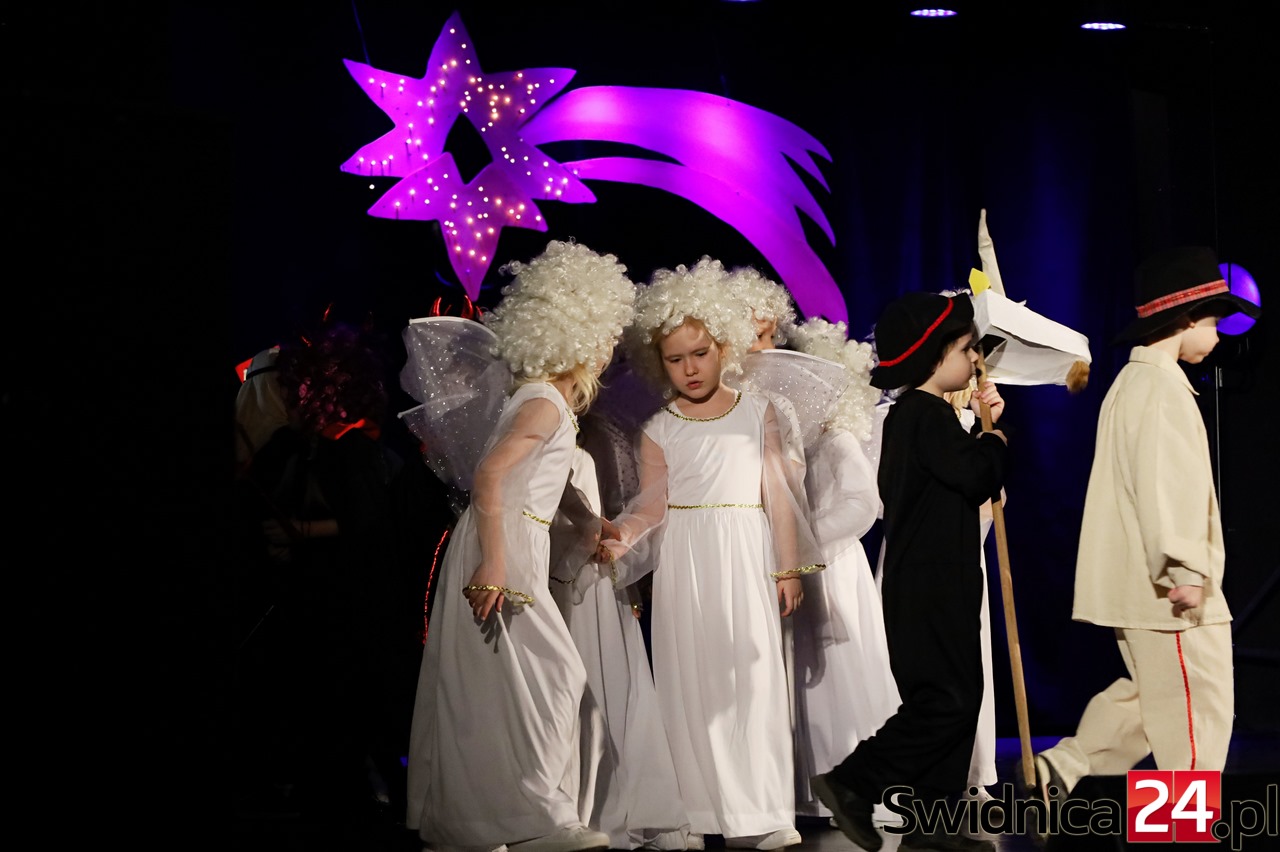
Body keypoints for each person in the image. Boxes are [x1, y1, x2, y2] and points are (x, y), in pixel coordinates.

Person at [404, 239, 635, 852]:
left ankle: (497, 820)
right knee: (555, 676)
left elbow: (543, 482)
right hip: (504, 545)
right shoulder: (545, 403)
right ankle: (537, 817)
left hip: (511, 540)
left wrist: (589, 521)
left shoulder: (541, 400)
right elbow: (490, 476)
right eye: (605, 335)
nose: (609, 349)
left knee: (505, 688)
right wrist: (496, 563)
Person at [598, 256, 826, 851]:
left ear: (723, 346)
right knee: (690, 680)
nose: (690, 368)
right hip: (687, 563)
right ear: (659, 362)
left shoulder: (757, 412)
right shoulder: (659, 428)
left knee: (752, 677)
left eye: (699, 353)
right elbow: (652, 507)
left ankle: (762, 811)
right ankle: (698, 812)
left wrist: (788, 567)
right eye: (675, 358)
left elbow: (778, 494)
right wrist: (620, 537)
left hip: (746, 553)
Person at [1030, 246, 1258, 832]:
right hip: (1170, 592)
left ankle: (1067, 767)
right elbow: (1166, 488)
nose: (1217, 335)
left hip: (1145, 587)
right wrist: (1185, 569)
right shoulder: (1158, 389)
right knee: (1196, 718)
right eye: (1213, 322)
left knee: (1152, 698)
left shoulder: (1138, 383)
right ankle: (1182, 833)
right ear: (1186, 319)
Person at [811, 290, 1008, 852]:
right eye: (967, 349)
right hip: (931, 583)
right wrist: (993, 438)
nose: (975, 360)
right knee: (944, 700)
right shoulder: (923, 416)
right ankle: (854, 780)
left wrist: (979, 434)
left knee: (958, 695)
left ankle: (931, 825)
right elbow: (975, 476)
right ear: (936, 355)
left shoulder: (919, 419)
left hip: (935, 579)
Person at [548, 421, 695, 850]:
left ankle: (597, 806)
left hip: (582, 575)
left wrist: (614, 560)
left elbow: (605, 520)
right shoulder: (566, 451)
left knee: (600, 680)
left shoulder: (585, 454)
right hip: (551, 569)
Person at [785, 318, 902, 821]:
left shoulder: (836, 439)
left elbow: (862, 504)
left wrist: (802, 540)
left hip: (831, 567)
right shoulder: (790, 440)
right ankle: (810, 788)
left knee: (839, 673)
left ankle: (855, 784)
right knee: (806, 675)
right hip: (799, 566)